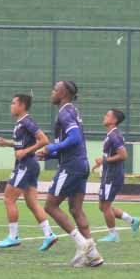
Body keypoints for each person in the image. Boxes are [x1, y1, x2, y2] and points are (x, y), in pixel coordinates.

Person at [36, 81, 103, 267]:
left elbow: (74, 139)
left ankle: (82, 243)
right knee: (76, 209)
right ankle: (94, 255)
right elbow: (74, 143)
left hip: (71, 166)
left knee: (50, 206)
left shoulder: (65, 113)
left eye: (55, 89)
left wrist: (52, 147)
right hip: (81, 164)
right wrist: (51, 153)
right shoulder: (72, 111)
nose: (52, 92)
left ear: (64, 93)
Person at [0, 93, 57, 250]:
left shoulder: (27, 121)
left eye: (14, 103)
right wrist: (8, 144)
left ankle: (13, 237)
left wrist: (25, 151)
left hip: (26, 165)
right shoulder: (20, 123)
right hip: (30, 165)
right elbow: (21, 144)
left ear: (22, 106)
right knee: (32, 203)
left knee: (8, 198)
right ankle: (49, 235)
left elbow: (44, 140)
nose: (11, 105)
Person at [93, 108, 140, 243]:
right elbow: (110, 155)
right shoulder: (111, 135)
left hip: (112, 176)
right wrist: (101, 163)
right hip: (108, 174)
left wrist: (105, 161)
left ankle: (113, 235)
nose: (104, 117)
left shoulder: (114, 135)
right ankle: (132, 220)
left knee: (106, 206)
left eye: (107, 115)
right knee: (103, 206)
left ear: (114, 120)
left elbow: (123, 155)